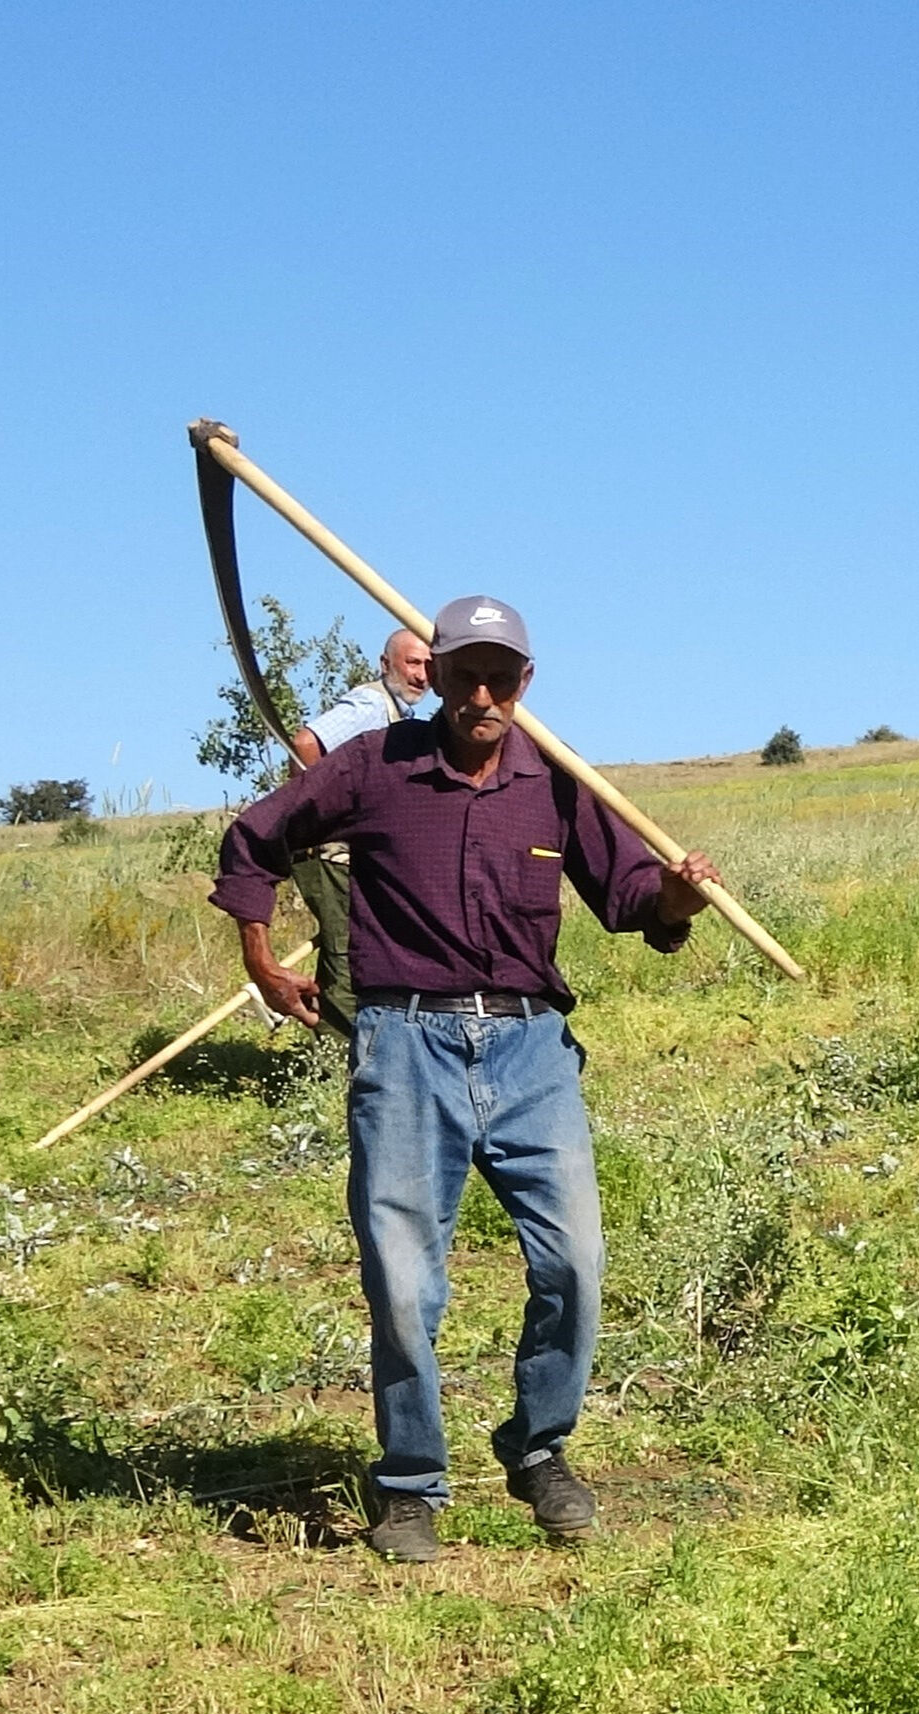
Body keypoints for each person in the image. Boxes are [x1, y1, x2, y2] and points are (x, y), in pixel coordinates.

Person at [211, 595, 720, 1561]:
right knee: (403, 1280)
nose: (481, 694)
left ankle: (538, 1450)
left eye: (500, 676)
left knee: (573, 1262)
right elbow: (255, 839)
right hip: (404, 1049)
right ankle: (409, 1486)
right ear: (432, 675)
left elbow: (628, 899)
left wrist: (677, 893)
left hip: (532, 1052)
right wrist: (260, 957)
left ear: (526, 683)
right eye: (463, 673)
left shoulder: (557, 781)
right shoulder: (375, 766)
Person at [285, 629, 437, 1035]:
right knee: (346, 953)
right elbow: (306, 743)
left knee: (347, 948)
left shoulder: (400, 715)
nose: (422, 675)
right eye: (412, 663)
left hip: (346, 855)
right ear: (386, 664)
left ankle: (326, 1052)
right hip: (329, 852)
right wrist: (314, 820)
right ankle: (340, 1059)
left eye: (428, 665)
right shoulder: (371, 704)